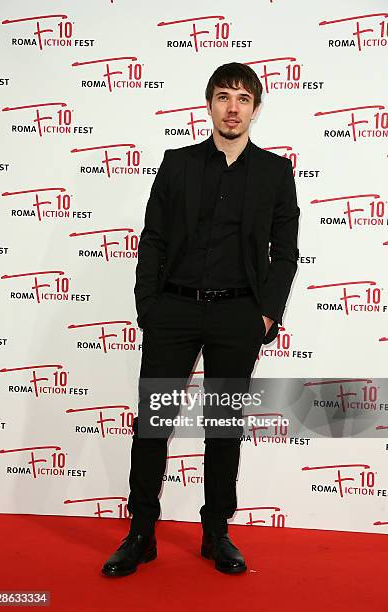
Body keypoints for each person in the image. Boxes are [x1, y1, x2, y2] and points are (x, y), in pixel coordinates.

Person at [102, 62, 300, 577]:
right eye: (223, 97)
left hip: (239, 314)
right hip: (174, 310)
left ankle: (217, 534)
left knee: (223, 427)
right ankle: (141, 533)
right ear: (208, 104)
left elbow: (286, 252)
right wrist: (150, 307)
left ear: (256, 108)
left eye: (242, 98)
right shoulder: (177, 164)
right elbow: (155, 239)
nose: (232, 107)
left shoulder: (276, 172)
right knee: (153, 425)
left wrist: (265, 316)